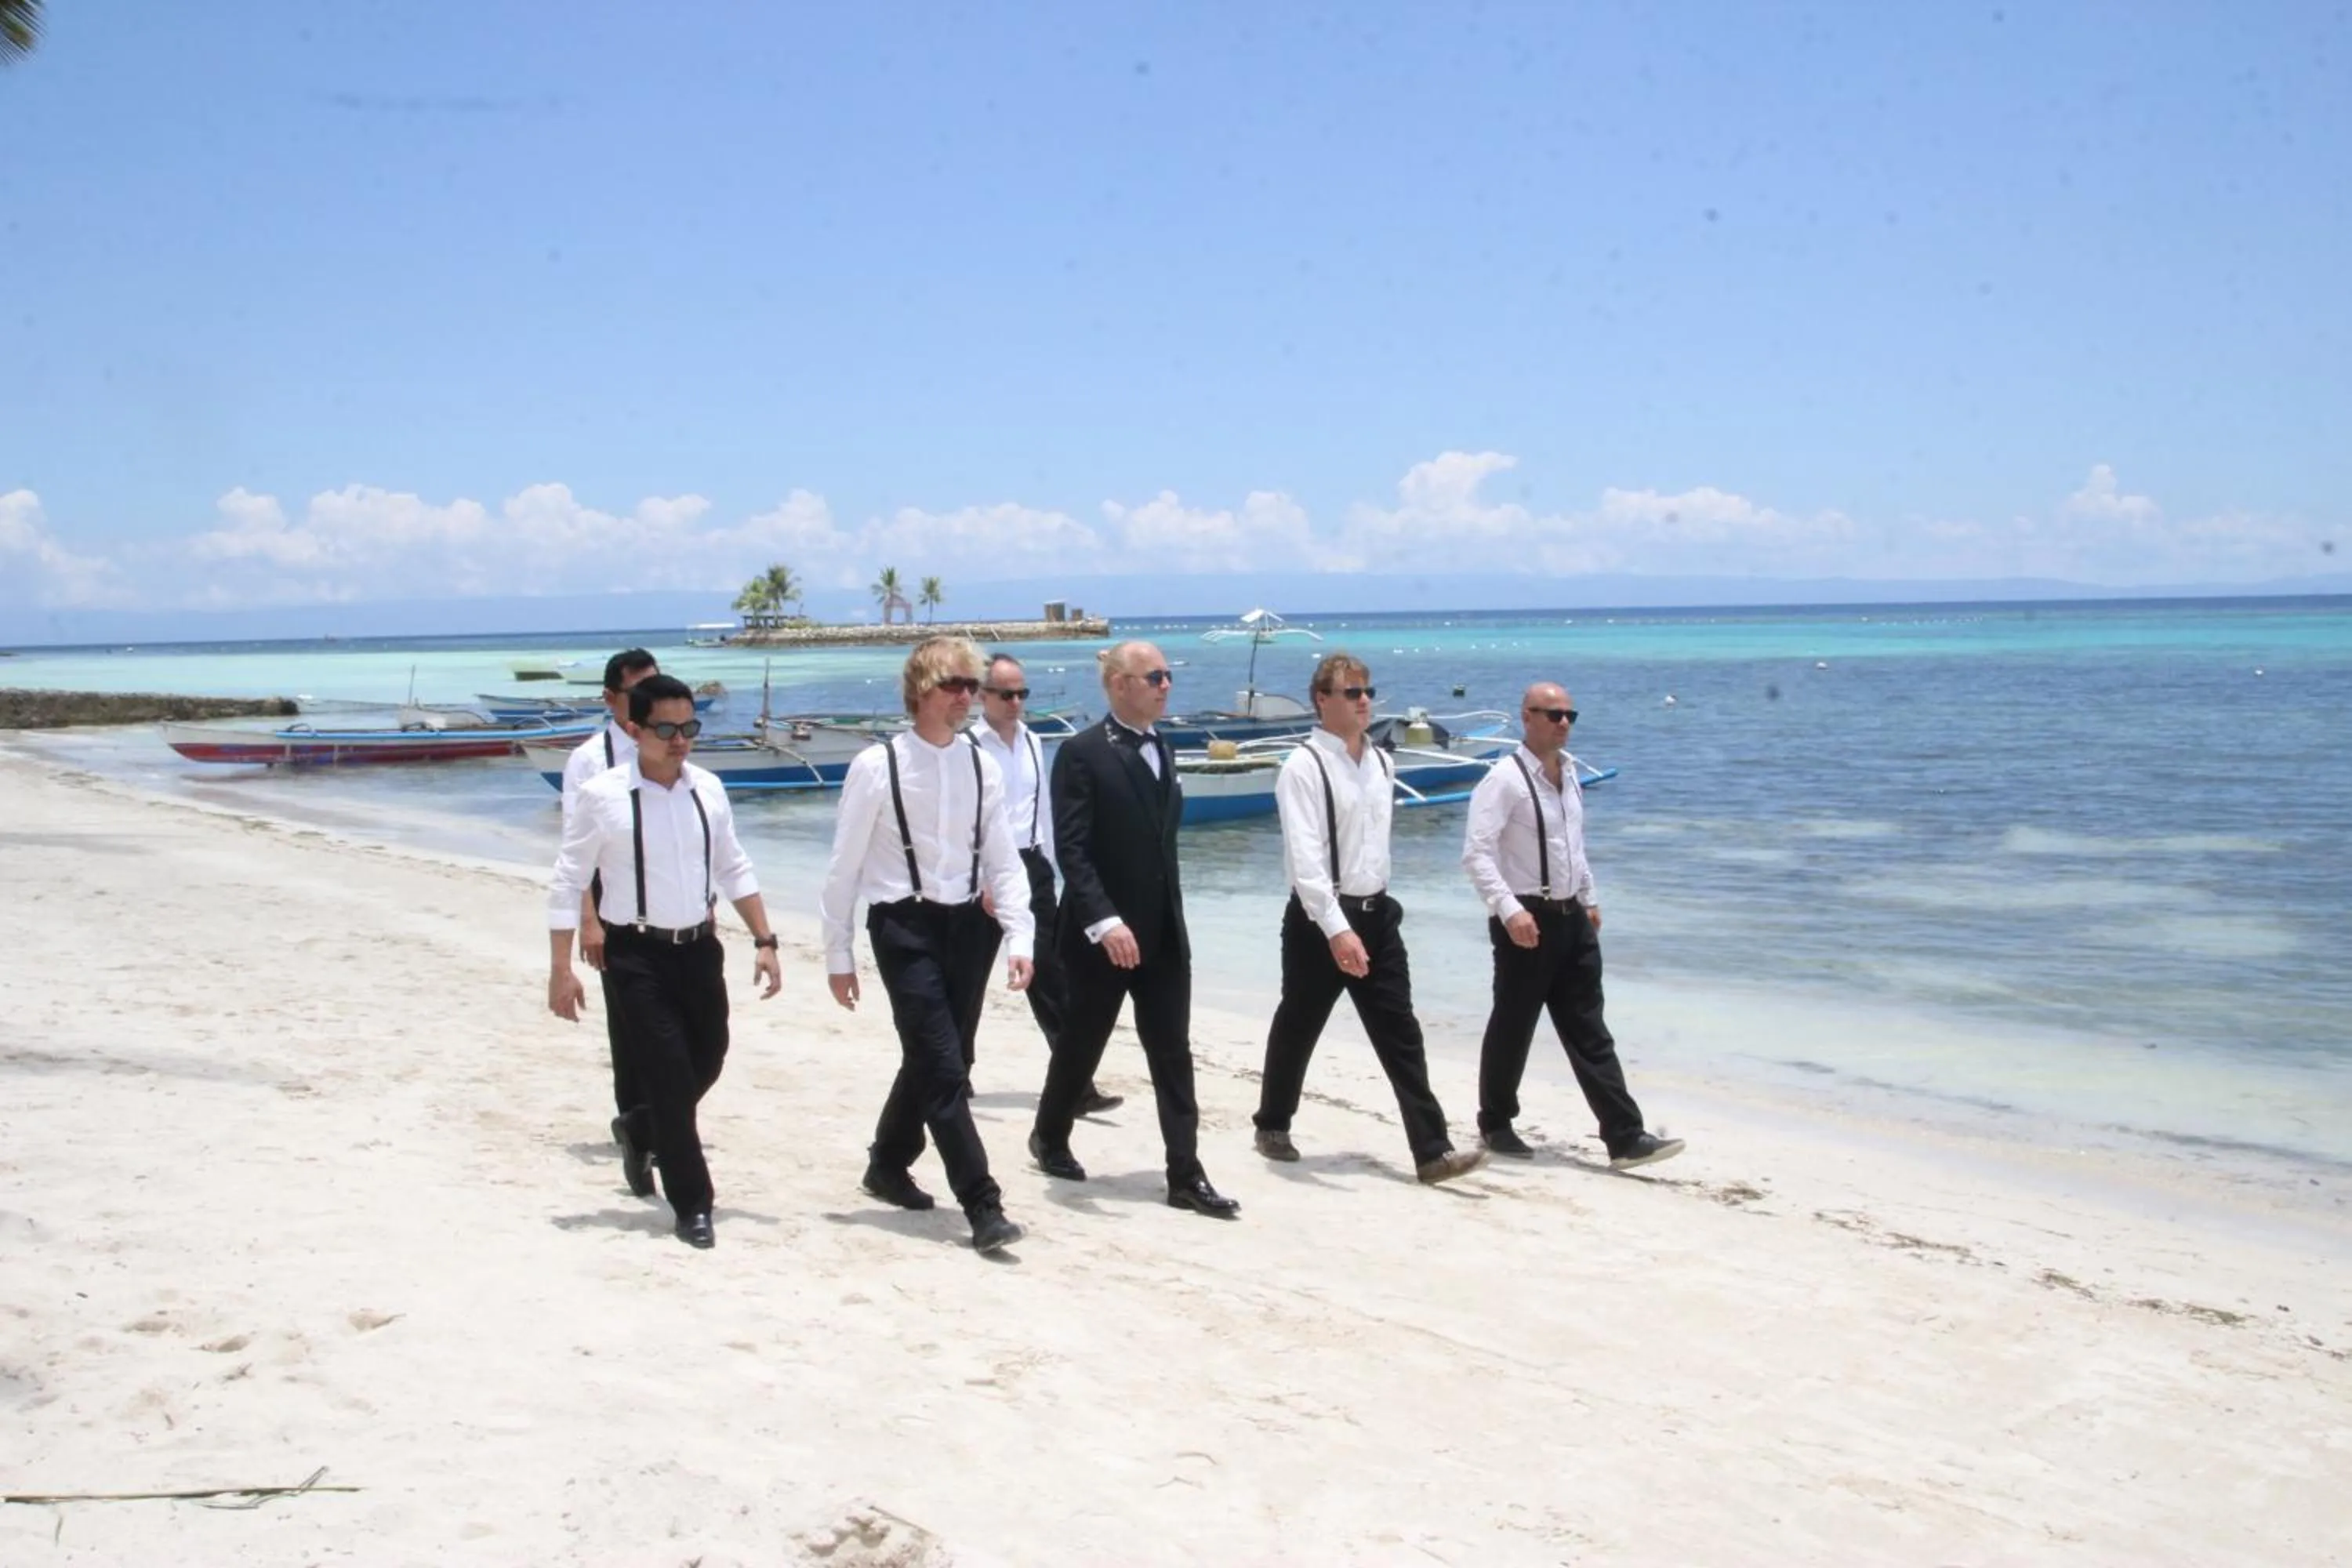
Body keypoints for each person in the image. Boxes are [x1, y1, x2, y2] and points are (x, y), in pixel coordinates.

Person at [547, 673, 782, 1249]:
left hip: (699, 947)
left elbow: (734, 867)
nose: (680, 740)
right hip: (635, 954)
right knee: (671, 1075)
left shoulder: (708, 789)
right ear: (635, 729)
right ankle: (693, 1203)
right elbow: (568, 879)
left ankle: (638, 1127)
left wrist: (765, 939)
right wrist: (562, 966)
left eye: (689, 727)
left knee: (710, 1057)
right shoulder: (602, 796)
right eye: (667, 729)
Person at [820, 636, 1033, 1255]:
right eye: (955, 686)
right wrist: (838, 955)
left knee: (946, 1056)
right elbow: (843, 869)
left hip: (968, 927)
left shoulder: (979, 765)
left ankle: (887, 1163)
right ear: (921, 691)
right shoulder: (877, 767)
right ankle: (982, 1204)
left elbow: (1003, 857)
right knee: (943, 1067)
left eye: (973, 686)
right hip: (902, 927)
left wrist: (1021, 933)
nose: (967, 697)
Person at [1253, 654, 1488, 1185]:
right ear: (1322, 700)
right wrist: (1338, 930)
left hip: (1378, 915)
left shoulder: (1381, 762)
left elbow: (1374, 847)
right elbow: (1306, 861)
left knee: (1400, 1030)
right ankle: (1272, 1123)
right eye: (1352, 693)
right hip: (1321, 920)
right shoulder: (1304, 768)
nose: (1365, 701)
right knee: (1299, 1023)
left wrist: (1377, 911)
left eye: (1368, 692)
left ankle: (1433, 1152)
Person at [1028, 641, 1240, 1220]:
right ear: (1120, 684)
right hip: (1102, 935)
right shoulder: (1080, 753)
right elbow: (1070, 850)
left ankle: (1185, 1174)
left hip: (1164, 931)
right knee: (1082, 1042)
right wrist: (1104, 920)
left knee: (1172, 1050)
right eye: (1155, 677)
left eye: (1168, 676)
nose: (1166, 685)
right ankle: (1049, 1135)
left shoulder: (1164, 748)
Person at [1461, 681, 1685, 1170]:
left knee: (1589, 1028)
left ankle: (1624, 1136)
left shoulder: (1571, 774)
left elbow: (1572, 846)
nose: (1564, 723)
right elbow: (1477, 854)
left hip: (1571, 918)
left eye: (1570, 715)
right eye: (1553, 714)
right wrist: (1508, 909)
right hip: (1525, 917)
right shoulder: (1504, 780)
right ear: (1527, 716)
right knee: (1514, 1025)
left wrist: (1590, 897)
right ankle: (1496, 1122)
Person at [971, 652, 1123, 1119]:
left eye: (1022, 694)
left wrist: (1066, 875)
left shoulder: (1035, 743)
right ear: (982, 695)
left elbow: (1044, 816)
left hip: (1032, 867)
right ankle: (952, 1071)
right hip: (983, 872)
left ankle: (1075, 1083)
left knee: (1051, 974)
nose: (1016, 702)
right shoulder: (969, 749)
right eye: (1005, 694)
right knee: (968, 975)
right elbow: (965, 820)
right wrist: (982, 880)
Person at [561, 647, 660, 1178]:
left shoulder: (671, 746)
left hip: (672, 903)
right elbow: (574, 854)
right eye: (636, 692)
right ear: (610, 699)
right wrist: (588, 919)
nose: (648, 701)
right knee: (630, 1027)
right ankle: (639, 1134)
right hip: (613, 905)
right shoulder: (590, 759)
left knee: (681, 1026)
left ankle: (650, 1122)